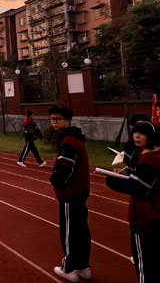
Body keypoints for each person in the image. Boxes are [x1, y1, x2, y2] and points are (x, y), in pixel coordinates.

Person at [106, 121, 160, 283]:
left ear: (151, 136)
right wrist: (129, 172)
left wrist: (113, 180)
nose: (136, 136)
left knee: (146, 267)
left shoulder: (149, 160)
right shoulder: (159, 155)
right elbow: (146, 177)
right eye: (135, 133)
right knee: (159, 265)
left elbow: (138, 187)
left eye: (141, 133)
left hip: (146, 219)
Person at [48, 105, 91, 282]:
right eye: (52, 119)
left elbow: (65, 168)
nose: (55, 122)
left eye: (58, 119)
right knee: (81, 230)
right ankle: (83, 266)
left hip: (70, 193)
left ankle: (70, 268)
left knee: (69, 232)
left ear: (68, 121)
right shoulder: (75, 139)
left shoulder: (69, 142)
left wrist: (56, 181)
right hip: (80, 193)